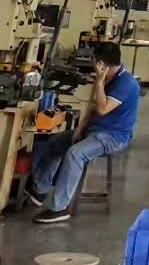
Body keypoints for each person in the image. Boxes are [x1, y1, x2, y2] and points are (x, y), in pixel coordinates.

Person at [28, 42, 141, 225]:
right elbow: (94, 109)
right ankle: (40, 188)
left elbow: (102, 109)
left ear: (101, 63)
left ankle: (59, 208)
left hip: (114, 137)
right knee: (56, 141)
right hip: (95, 130)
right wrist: (80, 130)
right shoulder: (110, 78)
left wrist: (99, 82)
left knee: (75, 154)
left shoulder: (126, 83)